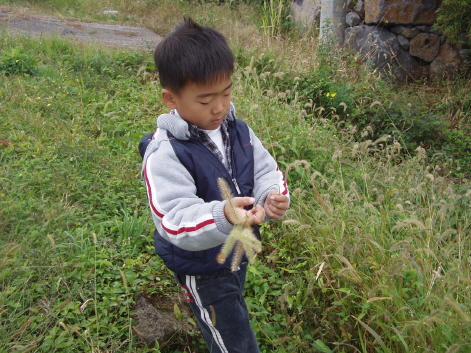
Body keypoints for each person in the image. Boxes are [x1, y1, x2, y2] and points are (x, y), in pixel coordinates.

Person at [141, 18, 289, 353]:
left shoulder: (238, 131)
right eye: (206, 100)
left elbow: (266, 169)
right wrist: (222, 214)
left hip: (237, 251)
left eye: (226, 92)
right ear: (171, 98)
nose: (220, 107)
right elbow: (173, 218)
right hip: (200, 267)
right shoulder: (166, 154)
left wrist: (271, 196)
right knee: (233, 343)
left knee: (233, 300)